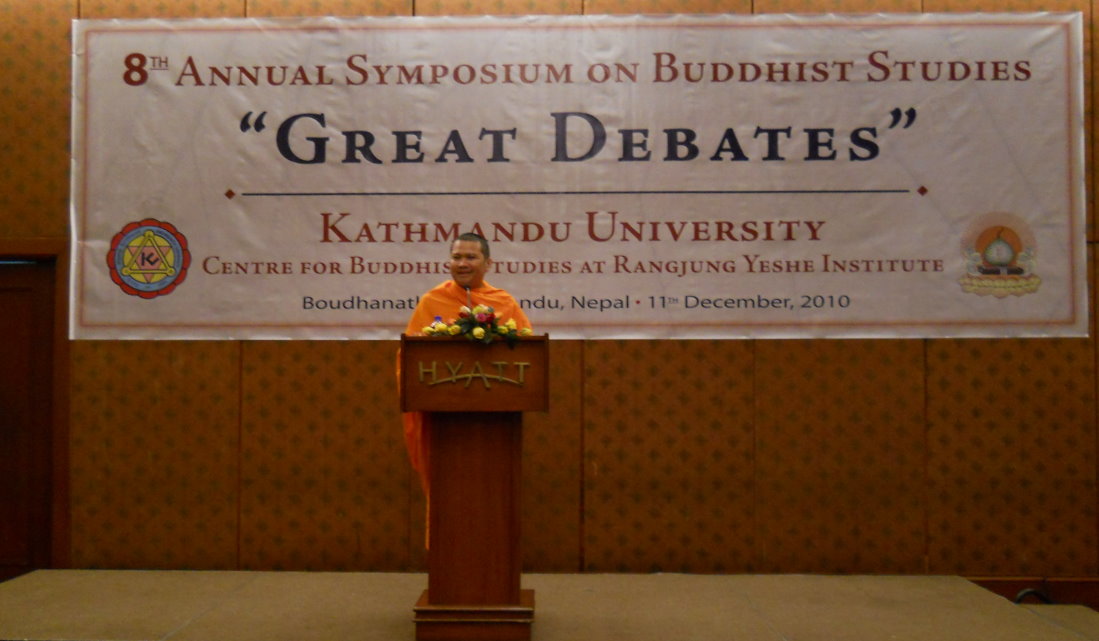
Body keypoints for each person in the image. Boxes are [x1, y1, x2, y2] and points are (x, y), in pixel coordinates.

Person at [401, 232, 533, 509]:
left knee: (491, 495)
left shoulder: (504, 303)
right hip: (443, 420)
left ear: (488, 263)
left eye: (471, 257)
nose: (462, 264)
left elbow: (527, 354)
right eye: (456, 257)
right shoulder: (432, 301)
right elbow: (409, 357)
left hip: (494, 419)